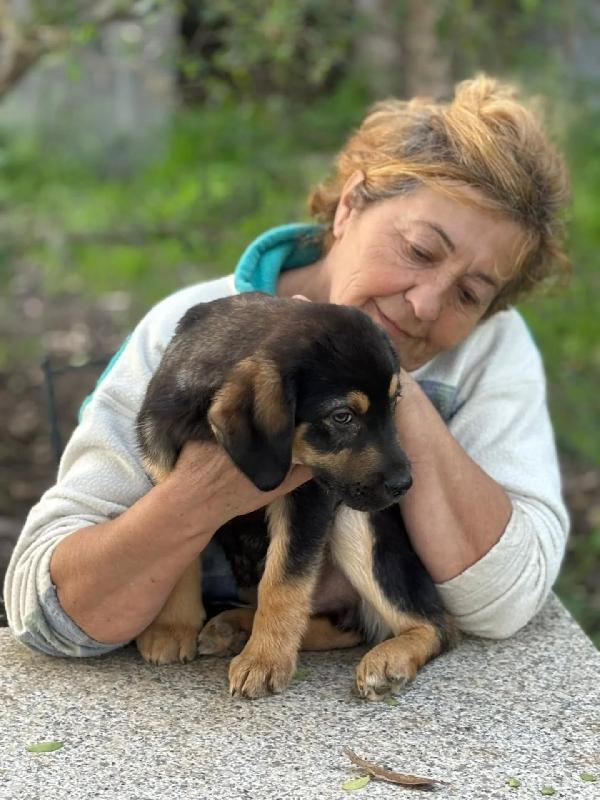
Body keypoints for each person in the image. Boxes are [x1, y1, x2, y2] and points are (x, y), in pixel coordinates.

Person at [4, 74, 571, 658]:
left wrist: (390, 384)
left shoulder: (490, 351)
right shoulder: (189, 337)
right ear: (351, 205)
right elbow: (43, 612)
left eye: (470, 294)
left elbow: (508, 600)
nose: (427, 303)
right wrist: (204, 490)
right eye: (420, 250)